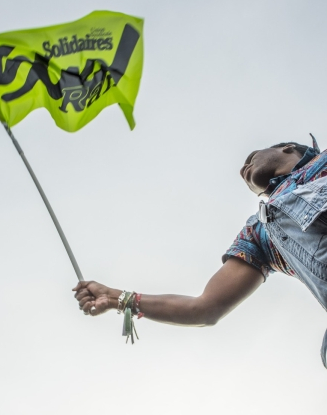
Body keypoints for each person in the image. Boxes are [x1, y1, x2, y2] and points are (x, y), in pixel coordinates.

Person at [73, 135, 327, 367]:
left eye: (251, 158)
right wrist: (116, 297)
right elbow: (205, 308)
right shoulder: (261, 232)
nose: (243, 169)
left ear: (287, 147)